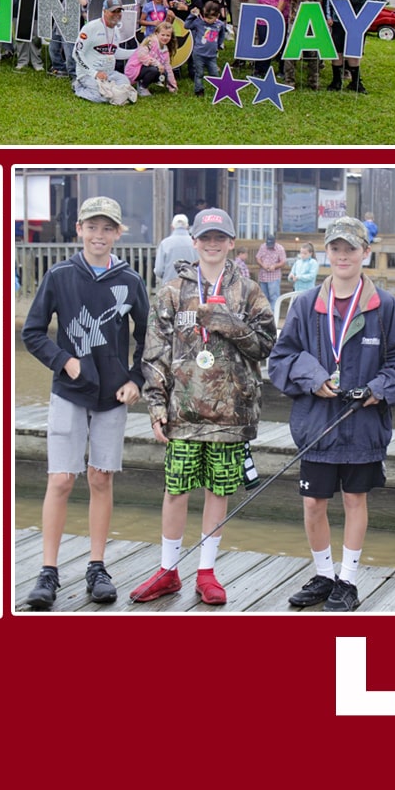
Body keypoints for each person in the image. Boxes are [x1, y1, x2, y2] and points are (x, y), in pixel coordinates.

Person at [268, 217, 395, 611]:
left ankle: (348, 579)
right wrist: (313, 377)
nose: (342, 255)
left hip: (362, 428)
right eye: (336, 248)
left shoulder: (385, 307)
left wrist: (377, 390)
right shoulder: (305, 305)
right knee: (312, 504)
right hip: (317, 427)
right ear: (327, 252)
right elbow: (281, 359)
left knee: (356, 499)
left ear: (365, 254)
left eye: (350, 249)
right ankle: (324, 574)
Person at [133, 209, 276, 605]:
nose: (212, 244)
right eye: (205, 238)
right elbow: (154, 354)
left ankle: (207, 572)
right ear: (193, 241)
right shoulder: (172, 290)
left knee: (219, 490)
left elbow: (265, 345)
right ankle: (167, 569)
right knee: (175, 490)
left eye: (220, 238)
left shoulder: (248, 290)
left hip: (231, 415)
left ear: (231, 242)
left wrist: (225, 320)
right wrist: (156, 406)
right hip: (182, 413)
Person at [20, 197, 148, 610]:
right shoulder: (59, 276)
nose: (99, 235)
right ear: (78, 230)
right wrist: (64, 361)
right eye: (91, 227)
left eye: (107, 228)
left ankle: (97, 565)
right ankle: (47, 570)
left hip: (112, 398)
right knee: (61, 479)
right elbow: (33, 332)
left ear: (117, 234)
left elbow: (149, 339)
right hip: (69, 392)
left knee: (100, 478)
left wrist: (136, 379)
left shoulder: (130, 280)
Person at [73, 2, 138, 105]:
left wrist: (137, 52)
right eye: (113, 11)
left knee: (125, 84)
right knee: (102, 97)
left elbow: (114, 52)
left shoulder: (116, 30)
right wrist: (95, 73)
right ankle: (79, 87)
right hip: (89, 74)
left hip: (109, 74)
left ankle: (111, 90)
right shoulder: (91, 27)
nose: (117, 14)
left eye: (119, 11)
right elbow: (76, 53)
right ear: (104, 11)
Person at [255, 233, 288, 310]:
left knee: (274, 297)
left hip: (274, 277)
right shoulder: (263, 246)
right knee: (264, 297)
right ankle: (265, 315)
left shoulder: (280, 249)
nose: (269, 246)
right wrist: (263, 265)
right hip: (263, 276)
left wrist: (275, 266)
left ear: (275, 241)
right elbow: (258, 258)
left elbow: (283, 262)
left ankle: (274, 316)